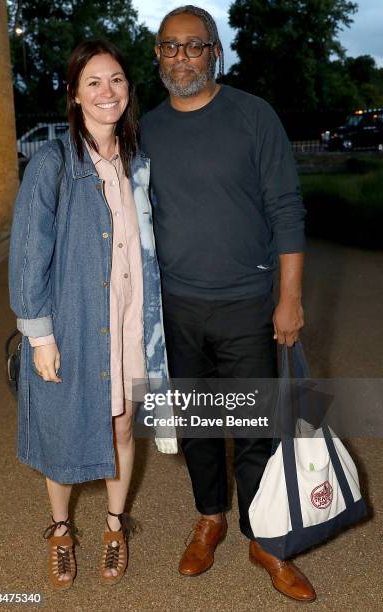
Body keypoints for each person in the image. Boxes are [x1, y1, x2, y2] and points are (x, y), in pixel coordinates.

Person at [140, 5, 316, 603]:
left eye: (193, 45)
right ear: (158, 57)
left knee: (256, 426)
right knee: (197, 427)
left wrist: (288, 299)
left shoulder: (252, 115)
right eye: (169, 47)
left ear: (215, 51)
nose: (181, 56)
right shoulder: (150, 129)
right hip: (175, 307)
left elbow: (287, 210)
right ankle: (209, 518)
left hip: (246, 303)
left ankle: (264, 537)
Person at [9, 39, 176, 591]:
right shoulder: (53, 163)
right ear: (75, 96)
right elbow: (30, 253)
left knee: (122, 425)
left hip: (128, 321)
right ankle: (60, 530)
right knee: (64, 431)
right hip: (75, 322)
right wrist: (39, 336)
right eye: (94, 83)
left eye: (118, 80)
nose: (109, 92)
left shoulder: (138, 163)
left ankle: (113, 525)